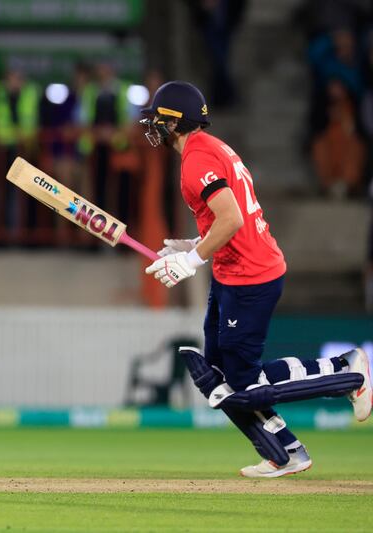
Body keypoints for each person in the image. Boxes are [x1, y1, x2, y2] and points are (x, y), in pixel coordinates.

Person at [140, 81, 372, 478]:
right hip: (235, 271)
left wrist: (192, 260)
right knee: (217, 378)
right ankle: (285, 452)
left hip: (250, 276)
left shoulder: (197, 158)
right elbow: (231, 218)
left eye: (159, 119)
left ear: (175, 121)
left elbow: (231, 218)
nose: (154, 127)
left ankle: (348, 371)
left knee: (243, 386)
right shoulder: (208, 149)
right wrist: (192, 244)